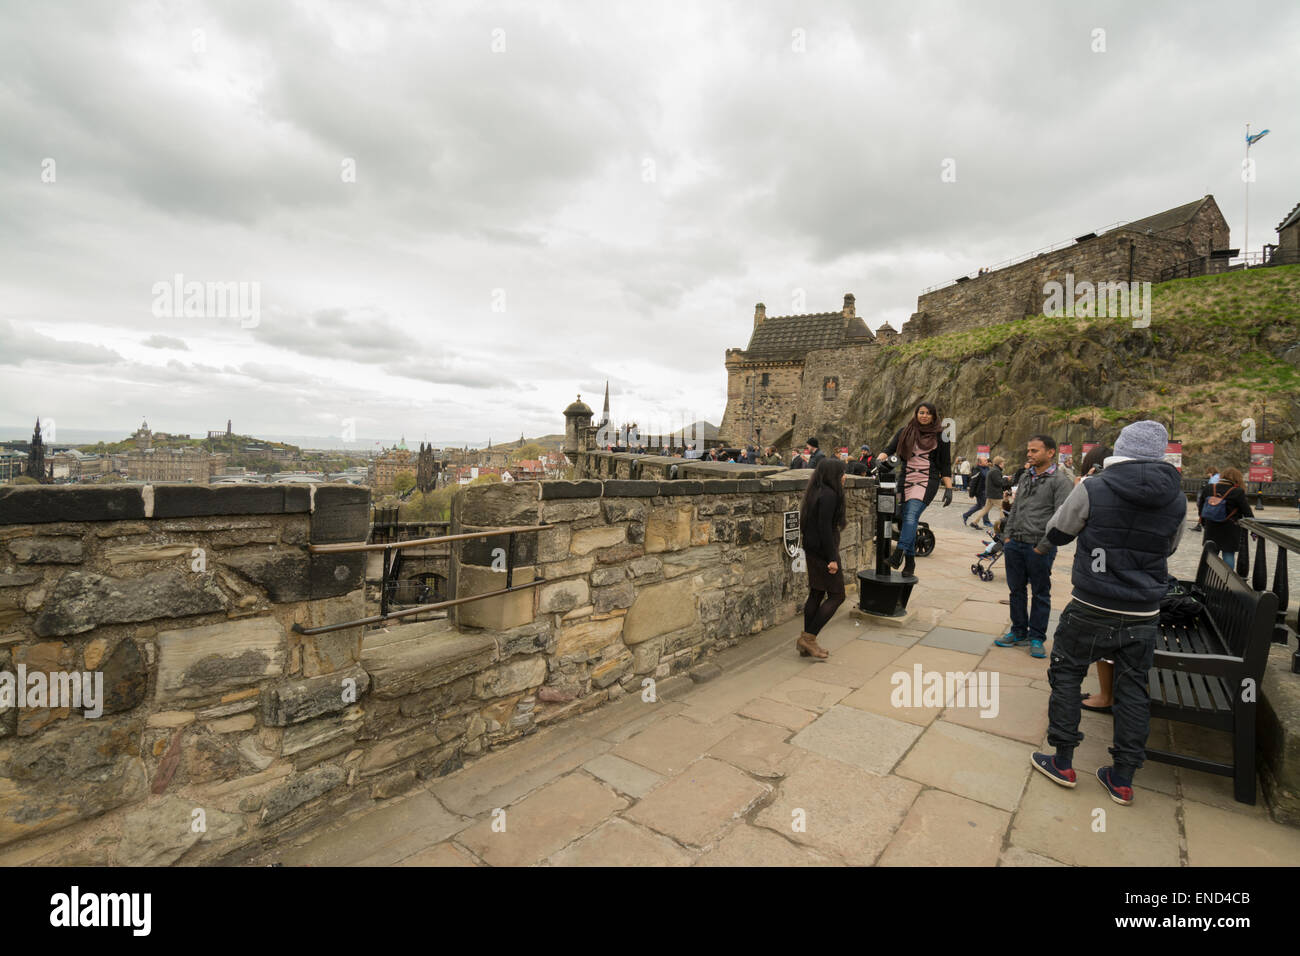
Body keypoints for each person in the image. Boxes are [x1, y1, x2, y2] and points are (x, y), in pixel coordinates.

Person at [1030, 421, 1186, 805]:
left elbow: (1059, 531)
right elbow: (1169, 548)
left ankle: (1063, 761)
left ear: (1120, 448)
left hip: (1092, 603)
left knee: (1067, 672)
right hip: (1143, 612)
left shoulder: (1095, 487)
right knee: (1133, 688)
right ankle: (1122, 778)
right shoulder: (1177, 497)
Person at [993, 435, 1073, 659]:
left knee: (1040, 593)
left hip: (1038, 547)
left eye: (1035, 451)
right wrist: (1007, 537)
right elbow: (1016, 507)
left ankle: (1036, 636)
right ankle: (1018, 631)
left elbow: (1062, 517)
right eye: (1029, 450)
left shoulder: (1060, 481)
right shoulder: (1027, 475)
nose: (1029, 454)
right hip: (1015, 544)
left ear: (1050, 453)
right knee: (1016, 591)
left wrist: (1043, 546)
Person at [879, 402, 953, 579]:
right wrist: (878, 460)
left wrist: (948, 488)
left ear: (934, 416)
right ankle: (910, 562)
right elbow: (889, 450)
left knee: (911, 515)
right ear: (916, 414)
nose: (924, 416)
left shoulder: (942, 436)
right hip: (907, 479)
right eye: (921, 412)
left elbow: (945, 463)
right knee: (906, 522)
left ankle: (899, 554)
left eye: (928, 413)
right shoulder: (905, 431)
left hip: (927, 480)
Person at [797, 457, 849, 660]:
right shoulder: (829, 495)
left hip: (812, 547)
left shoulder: (816, 491)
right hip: (822, 550)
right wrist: (832, 558)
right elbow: (825, 528)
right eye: (842, 473)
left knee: (817, 592)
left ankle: (807, 644)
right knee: (837, 595)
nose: (844, 477)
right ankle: (808, 639)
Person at [1201, 467, 1252, 571]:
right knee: (1228, 554)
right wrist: (1254, 529)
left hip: (1211, 526)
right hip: (1230, 528)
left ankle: (1207, 579)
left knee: (1211, 554)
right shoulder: (1238, 492)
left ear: (1222, 476)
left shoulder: (1209, 488)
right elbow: (1247, 511)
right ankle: (1226, 581)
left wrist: (1203, 522)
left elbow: (1201, 506)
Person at [970, 455, 1007, 529]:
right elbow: (998, 483)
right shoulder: (996, 471)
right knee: (1002, 508)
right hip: (995, 494)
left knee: (985, 509)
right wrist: (1006, 479)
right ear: (999, 464)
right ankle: (1003, 525)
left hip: (990, 494)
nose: (1003, 465)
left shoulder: (993, 470)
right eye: (1003, 463)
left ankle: (974, 522)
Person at [960, 458, 988, 526]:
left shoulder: (987, 468)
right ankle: (986, 521)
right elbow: (973, 482)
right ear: (980, 463)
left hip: (986, 491)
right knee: (985, 507)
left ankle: (966, 515)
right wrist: (971, 493)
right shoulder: (977, 470)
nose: (987, 461)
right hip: (980, 491)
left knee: (979, 506)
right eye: (985, 461)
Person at [1193, 465, 1219, 532]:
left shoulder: (1214, 478)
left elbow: (1210, 488)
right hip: (1216, 497)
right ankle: (1199, 524)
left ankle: (1200, 524)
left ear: (1211, 472)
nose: (1208, 475)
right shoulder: (1218, 476)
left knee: (1202, 506)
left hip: (1211, 498)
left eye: (1208, 473)